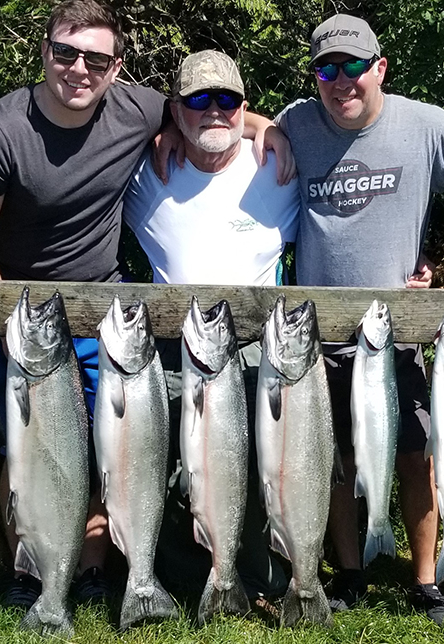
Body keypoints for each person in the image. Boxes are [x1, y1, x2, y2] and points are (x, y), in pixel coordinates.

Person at [0, 0, 292, 608]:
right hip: (21, 310)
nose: (79, 69)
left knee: (108, 444)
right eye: (66, 53)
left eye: (96, 58)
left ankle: (96, 571)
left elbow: (207, 108)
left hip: (105, 313)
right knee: (19, 447)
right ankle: (25, 572)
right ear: (44, 51)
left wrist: (269, 128)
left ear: (116, 66)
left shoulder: (136, 108)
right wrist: (9, 316)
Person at [275, 14, 444, 626]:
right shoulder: (295, 122)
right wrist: (254, 130)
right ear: (315, 76)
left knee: (416, 452)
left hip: (399, 335)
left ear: (379, 68)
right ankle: (350, 570)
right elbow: (234, 123)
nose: (340, 80)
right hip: (316, 338)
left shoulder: (425, 124)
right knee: (337, 458)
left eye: (353, 66)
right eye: (326, 68)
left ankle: (427, 580)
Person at [123, 50, 299, 602]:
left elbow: (351, 215)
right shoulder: (145, 174)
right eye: (199, 100)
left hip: (260, 355)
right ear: (176, 111)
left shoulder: (278, 165)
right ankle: (172, 578)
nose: (214, 112)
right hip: (171, 354)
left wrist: (414, 269)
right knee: (168, 472)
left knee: (255, 470)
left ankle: (256, 576)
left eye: (227, 100)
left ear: (244, 105)